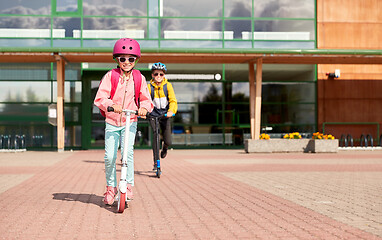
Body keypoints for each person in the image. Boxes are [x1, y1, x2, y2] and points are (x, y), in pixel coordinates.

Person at [94, 38, 153, 205]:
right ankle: (111, 187)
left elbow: (146, 99)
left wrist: (144, 108)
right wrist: (111, 105)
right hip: (112, 122)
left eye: (131, 59)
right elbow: (100, 98)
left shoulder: (139, 78)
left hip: (130, 121)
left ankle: (127, 185)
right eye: (123, 59)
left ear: (136, 60)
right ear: (117, 59)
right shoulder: (110, 76)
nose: (127, 62)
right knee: (110, 157)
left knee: (127, 154)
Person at [148, 62, 177, 170]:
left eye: (161, 74)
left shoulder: (168, 86)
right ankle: (156, 163)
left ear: (164, 75)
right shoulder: (149, 87)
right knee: (155, 137)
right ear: (152, 75)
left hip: (165, 115)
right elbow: (146, 101)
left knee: (168, 140)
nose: (158, 77)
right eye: (156, 74)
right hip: (153, 115)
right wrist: (144, 111)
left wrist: (171, 111)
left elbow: (173, 101)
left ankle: (165, 148)